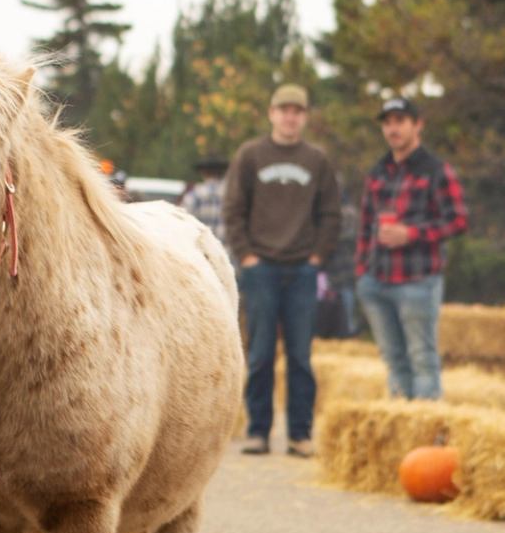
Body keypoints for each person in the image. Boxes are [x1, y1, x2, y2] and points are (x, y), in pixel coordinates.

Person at [222, 84, 343, 458]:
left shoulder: (316, 160)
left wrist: (318, 257)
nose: (290, 117)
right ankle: (258, 431)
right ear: (272, 113)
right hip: (261, 268)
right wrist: (246, 255)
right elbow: (233, 209)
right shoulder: (251, 155)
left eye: (297, 111)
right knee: (259, 353)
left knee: (301, 357)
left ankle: (299, 434)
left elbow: (331, 214)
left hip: (302, 271)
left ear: (304, 117)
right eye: (284, 110)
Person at [354, 97, 467, 400]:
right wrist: (362, 272)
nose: (393, 129)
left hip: (418, 279)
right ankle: (403, 424)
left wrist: (412, 233)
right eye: (387, 122)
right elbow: (365, 225)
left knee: (422, 359)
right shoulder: (378, 171)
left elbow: (458, 221)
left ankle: (425, 432)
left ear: (418, 125)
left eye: (400, 121)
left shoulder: (436, 170)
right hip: (377, 279)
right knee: (394, 361)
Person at [180, 155, 229, 249]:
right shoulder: (232, 194)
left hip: (202, 250)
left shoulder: (195, 195)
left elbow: (182, 221)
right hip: (226, 252)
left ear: (203, 172)